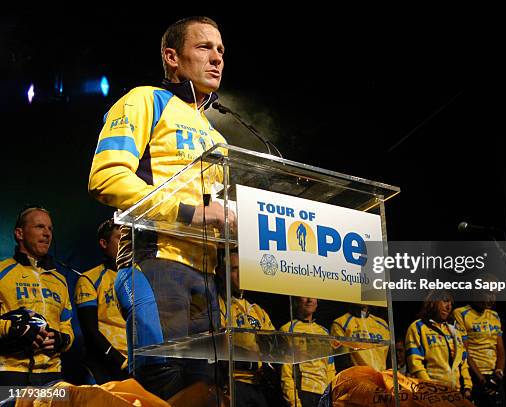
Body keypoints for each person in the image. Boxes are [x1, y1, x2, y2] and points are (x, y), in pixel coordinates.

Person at [87, 16, 235, 400]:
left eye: (220, 50)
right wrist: (188, 213)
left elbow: (217, 209)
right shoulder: (146, 100)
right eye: (204, 47)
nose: (217, 57)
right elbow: (106, 176)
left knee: (207, 394)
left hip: (208, 277)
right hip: (155, 263)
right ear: (172, 56)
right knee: (162, 389)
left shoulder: (218, 135)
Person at [0, 206, 74, 386]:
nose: (47, 234)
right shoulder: (2, 272)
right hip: (10, 373)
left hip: (53, 375)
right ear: (19, 233)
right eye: (40, 227)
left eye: (50, 229)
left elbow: (67, 326)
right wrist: (13, 329)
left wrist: (62, 340)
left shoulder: (60, 280)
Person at [217, 250, 276, 407]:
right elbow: (220, 343)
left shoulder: (257, 310)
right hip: (234, 382)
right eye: (235, 269)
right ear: (222, 273)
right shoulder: (220, 305)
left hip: (259, 385)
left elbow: (273, 345)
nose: (241, 274)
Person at [74, 219, 127, 383]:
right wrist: (120, 361)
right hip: (108, 367)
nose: (125, 243)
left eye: (127, 239)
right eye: (120, 238)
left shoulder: (140, 275)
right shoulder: (89, 279)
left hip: (139, 361)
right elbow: (90, 331)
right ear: (104, 243)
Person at [405, 290, 472, 399]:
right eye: (445, 301)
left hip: (456, 394)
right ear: (432, 302)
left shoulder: (455, 330)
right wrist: (431, 389)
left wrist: (467, 387)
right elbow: (415, 364)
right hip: (431, 394)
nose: (449, 307)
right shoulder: (417, 327)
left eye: (451, 303)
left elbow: (463, 362)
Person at [452, 277, 505, 407]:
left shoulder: (494, 315)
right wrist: (481, 379)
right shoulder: (461, 313)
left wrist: (498, 373)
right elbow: (464, 351)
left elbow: (501, 350)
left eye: (494, 293)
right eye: (488, 292)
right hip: (473, 376)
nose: (492, 298)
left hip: (494, 377)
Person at [280, 297, 336, 407]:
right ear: (296, 301)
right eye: (304, 295)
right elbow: (285, 374)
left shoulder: (325, 332)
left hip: (324, 395)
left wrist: (331, 398)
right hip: (303, 394)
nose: (310, 300)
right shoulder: (288, 330)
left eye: (313, 296)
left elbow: (330, 369)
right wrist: (294, 402)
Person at [330, 304, 390, 372]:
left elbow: (389, 359)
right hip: (358, 378)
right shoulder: (340, 323)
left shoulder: (382, 324)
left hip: (382, 378)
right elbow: (342, 362)